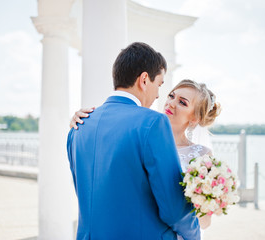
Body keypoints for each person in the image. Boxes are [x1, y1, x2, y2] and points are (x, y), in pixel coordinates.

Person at [67, 42, 200, 240]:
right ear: (144, 80)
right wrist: (195, 235)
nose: (157, 95)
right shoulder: (153, 122)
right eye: (159, 85)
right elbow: (174, 209)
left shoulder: (78, 126)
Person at [70, 79, 221, 238]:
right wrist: (83, 122)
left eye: (182, 103)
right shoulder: (142, 132)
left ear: (195, 118)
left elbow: (205, 221)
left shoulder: (202, 157)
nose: (171, 103)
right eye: (171, 96)